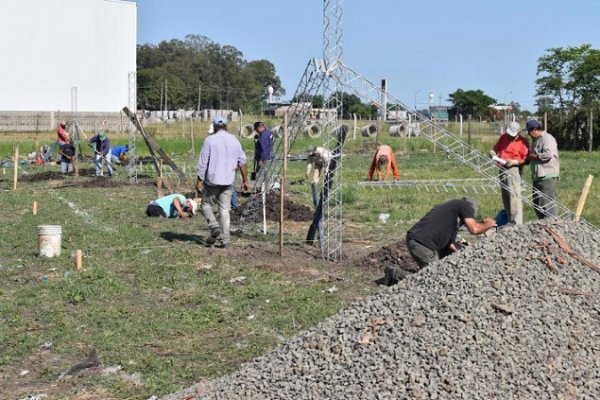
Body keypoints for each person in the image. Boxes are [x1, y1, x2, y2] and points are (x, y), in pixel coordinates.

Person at [392, 198, 496, 284]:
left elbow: (452, 243)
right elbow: (474, 229)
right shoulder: (465, 206)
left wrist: (468, 251)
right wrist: (489, 224)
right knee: (432, 278)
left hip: (418, 240)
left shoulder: (450, 216)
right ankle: (394, 274)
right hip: (422, 243)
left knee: (434, 271)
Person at [196, 116, 249, 248]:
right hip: (228, 181)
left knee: (206, 205)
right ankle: (225, 240)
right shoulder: (234, 140)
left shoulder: (209, 140)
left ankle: (214, 226)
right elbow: (242, 162)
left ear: (214, 126)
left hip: (212, 181)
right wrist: (245, 180)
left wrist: (199, 180)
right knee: (225, 210)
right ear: (226, 126)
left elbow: (203, 162)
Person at [489, 121, 529, 225]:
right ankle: (509, 220)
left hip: (513, 169)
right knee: (506, 196)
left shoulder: (522, 142)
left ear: (518, 132)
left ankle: (517, 222)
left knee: (514, 196)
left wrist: (514, 162)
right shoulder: (503, 137)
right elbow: (496, 148)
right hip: (502, 168)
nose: (510, 137)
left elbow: (526, 159)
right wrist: (493, 152)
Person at [526, 119, 559, 219]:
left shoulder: (547, 139)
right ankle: (543, 224)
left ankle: (551, 224)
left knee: (546, 203)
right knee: (537, 203)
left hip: (547, 176)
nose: (528, 134)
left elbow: (548, 154)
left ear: (534, 130)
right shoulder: (536, 140)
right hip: (538, 176)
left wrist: (533, 156)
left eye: (529, 132)